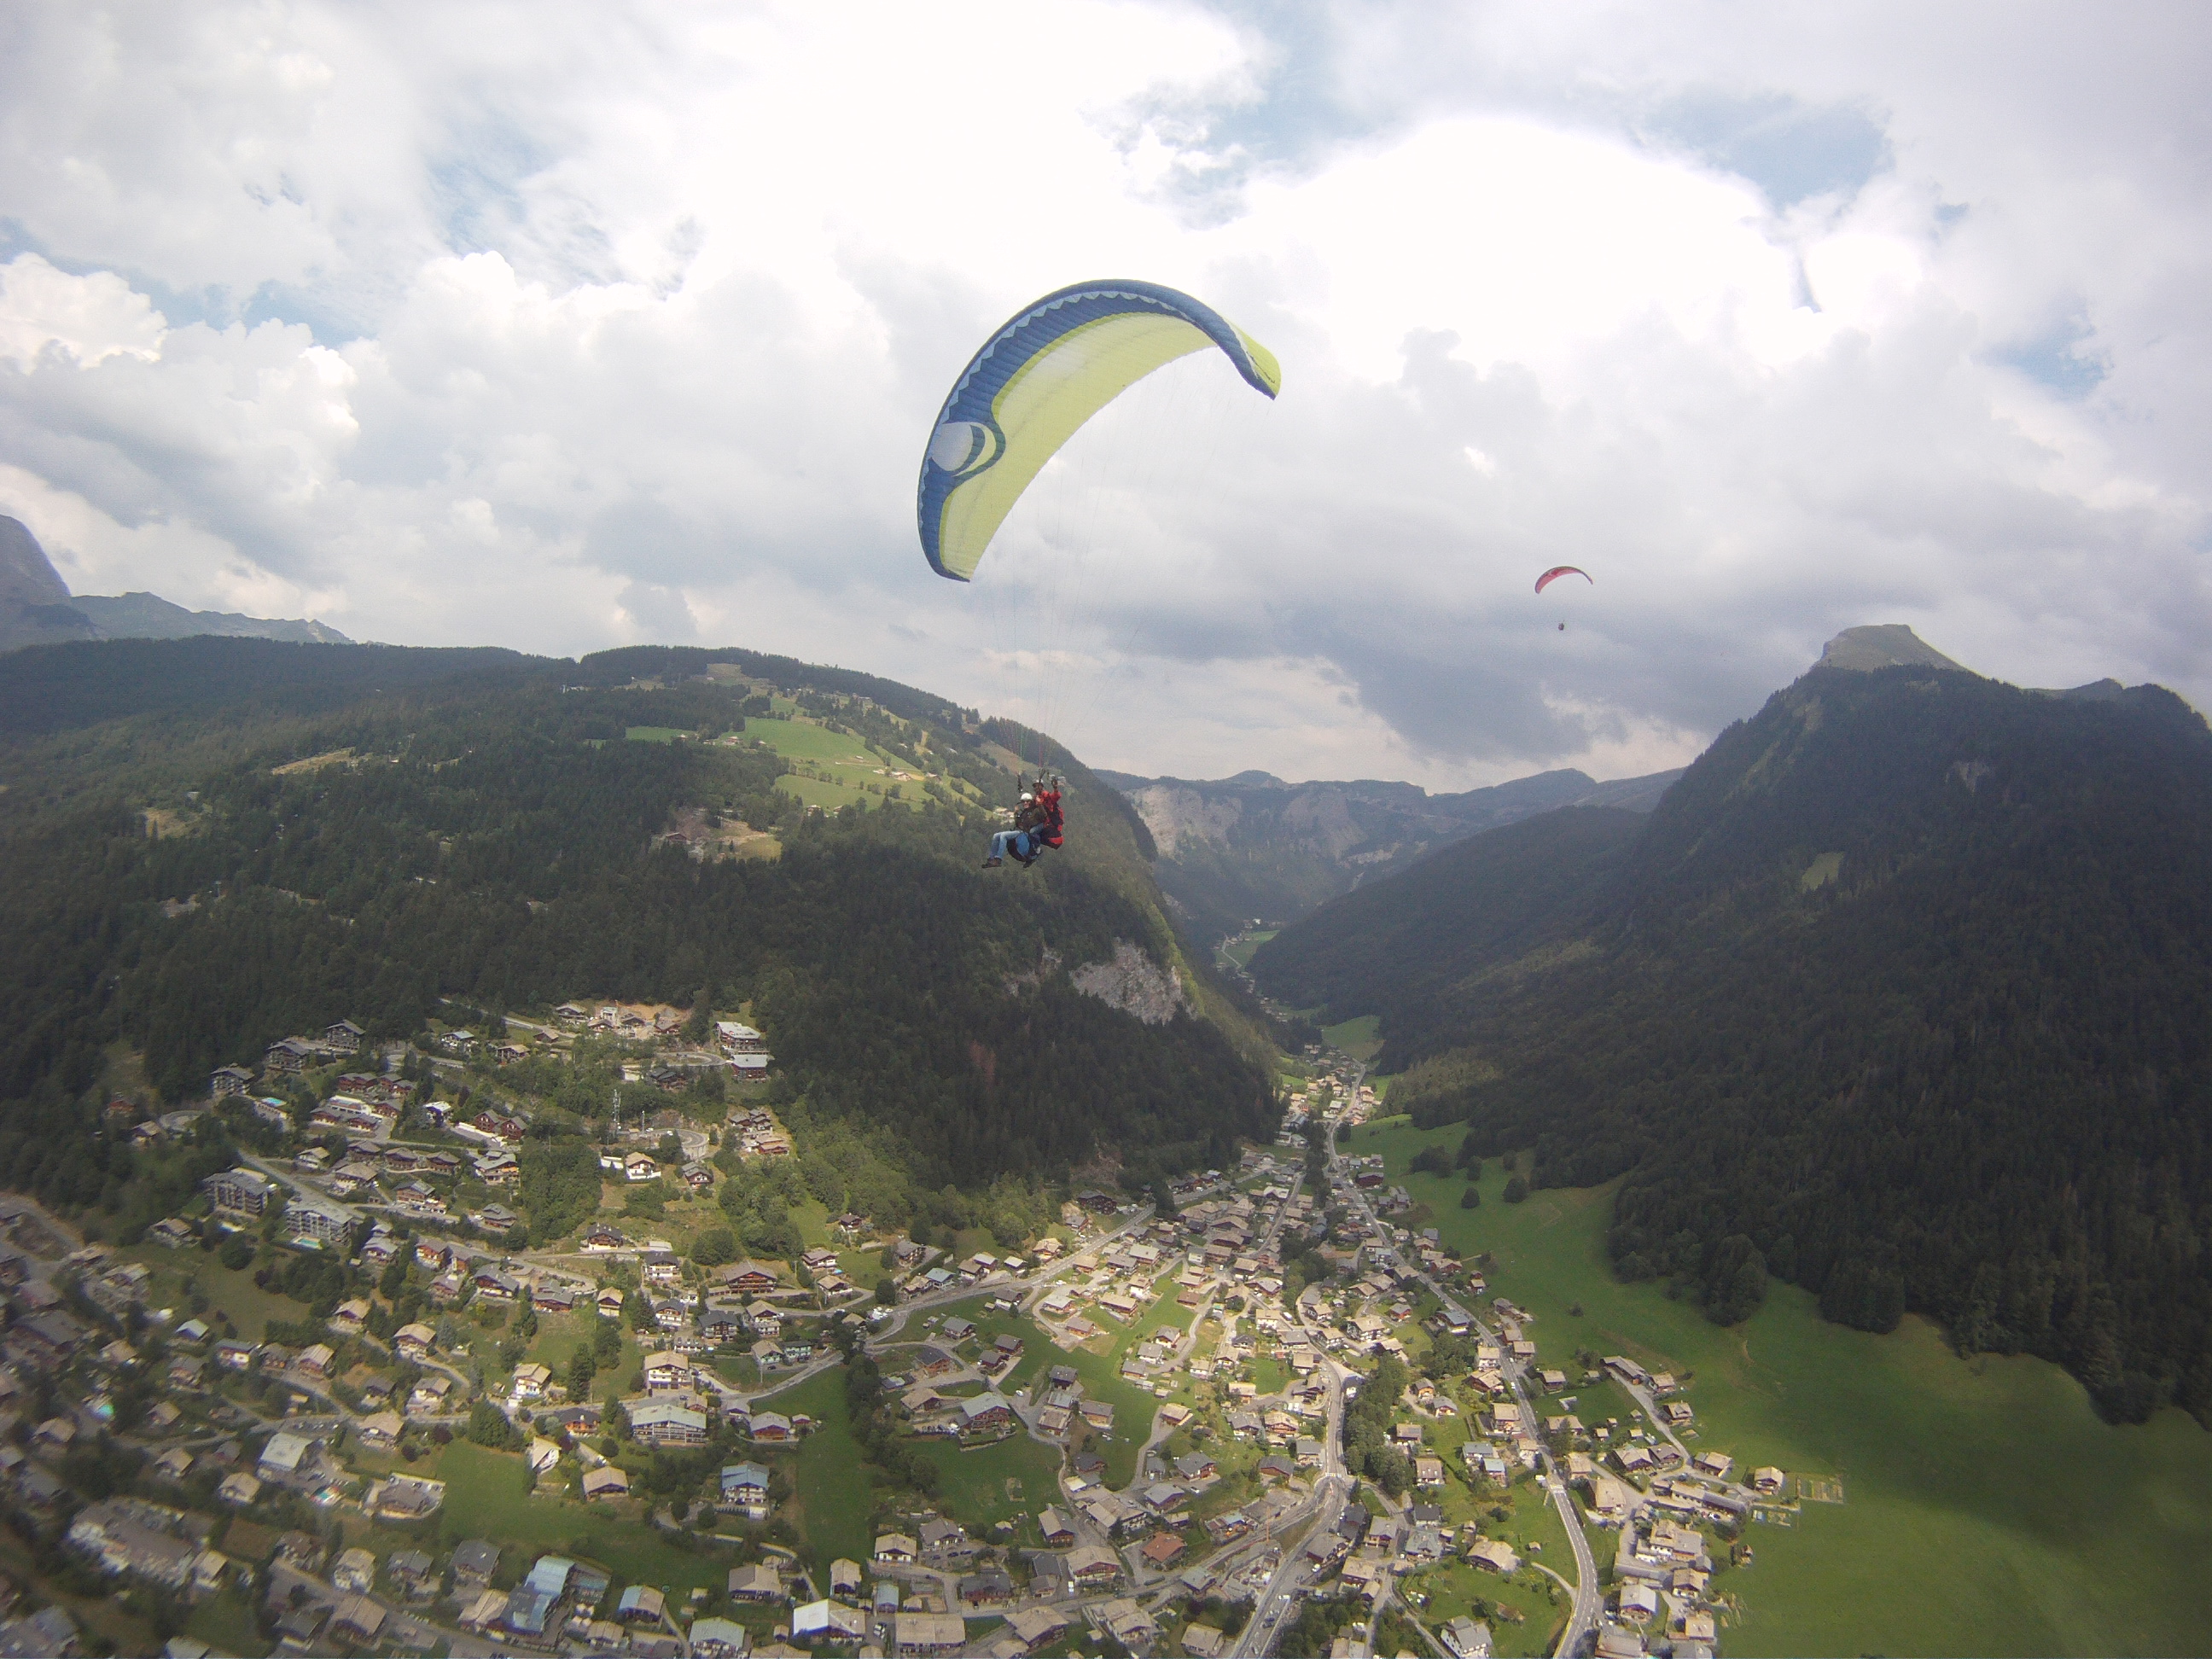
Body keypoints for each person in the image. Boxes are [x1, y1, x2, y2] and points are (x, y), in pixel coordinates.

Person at [983, 777, 1064, 869]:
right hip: (1021, 830)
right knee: (996, 836)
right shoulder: (1026, 810)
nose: (1025, 803)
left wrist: (1054, 790)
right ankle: (991, 858)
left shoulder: (1037, 808)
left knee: (1006, 836)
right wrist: (1016, 813)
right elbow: (1019, 823)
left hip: (1032, 828)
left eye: (1027, 802)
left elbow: (1045, 813)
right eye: (1024, 802)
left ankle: (999, 859)